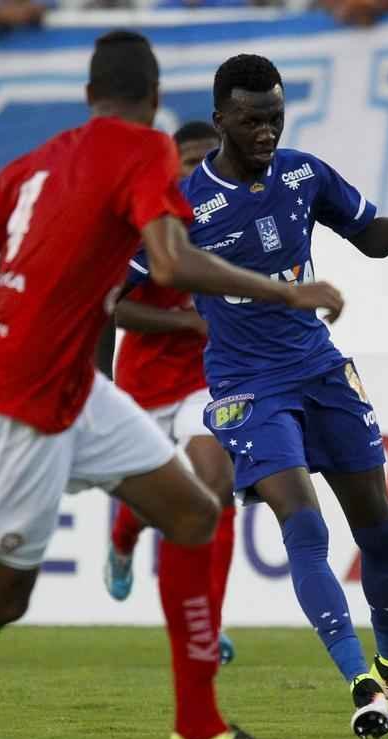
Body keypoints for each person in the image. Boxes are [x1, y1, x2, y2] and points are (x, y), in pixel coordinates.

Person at [0, 31, 347, 739]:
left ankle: (197, 732)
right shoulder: (144, 153)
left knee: (196, 514)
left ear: (88, 97)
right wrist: (285, 289)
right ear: (155, 100)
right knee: (1, 596)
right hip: (16, 406)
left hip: (69, 387)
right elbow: (168, 263)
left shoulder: (34, 163)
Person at [132, 54, 388, 739]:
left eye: (276, 117)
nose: (266, 131)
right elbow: (118, 294)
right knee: (304, 527)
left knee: (377, 525)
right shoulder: (183, 202)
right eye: (252, 119)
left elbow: (369, 241)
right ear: (222, 117)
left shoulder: (304, 174)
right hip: (245, 389)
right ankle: (360, 683)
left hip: (318, 368)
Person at [105, 120, 238, 666]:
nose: (200, 170)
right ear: (172, 168)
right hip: (142, 385)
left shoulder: (236, 219)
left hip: (205, 381)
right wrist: (185, 324)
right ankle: (121, 541)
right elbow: (110, 305)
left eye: (211, 159)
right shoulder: (152, 223)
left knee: (216, 488)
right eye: (190, 161)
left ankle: (207, 624)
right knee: (152, 499)